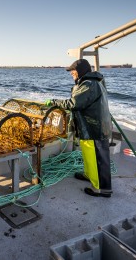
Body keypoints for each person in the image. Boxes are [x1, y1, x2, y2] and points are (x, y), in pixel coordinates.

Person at [45, 58, 113, 197]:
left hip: (94, 129)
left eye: (73, 71)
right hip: (89, 128)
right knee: (89, 156)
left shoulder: (89, 84)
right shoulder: (91, 82)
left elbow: (75, 103)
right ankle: (89, 175)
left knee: (97, 159)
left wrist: (54, 102)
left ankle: (101, 189)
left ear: (80, 71)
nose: (72, 74)